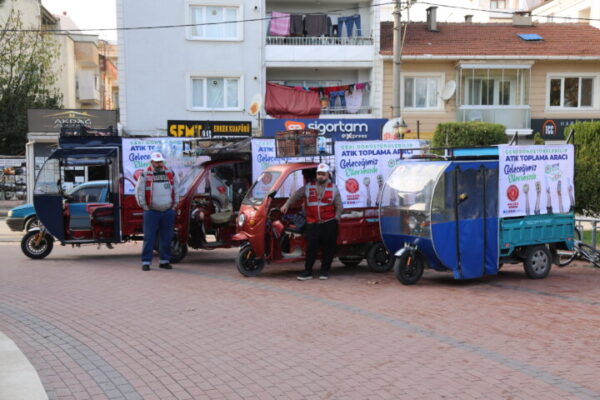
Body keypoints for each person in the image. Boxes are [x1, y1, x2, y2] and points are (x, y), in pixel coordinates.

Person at [281, 163, 343, 280]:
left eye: (323, 174)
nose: (321, 176)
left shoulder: (333, 188)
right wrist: (287, 204)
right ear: (316, 175)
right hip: (313, 224)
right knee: (311, 249)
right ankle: (307, 272)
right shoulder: (309, 187)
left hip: (329, 223)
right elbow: (296, 195)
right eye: (319, 174)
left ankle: (324, 272)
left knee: (328, 249)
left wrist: (336, 219)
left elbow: (339, 206)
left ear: (327, 175)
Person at [135, 152, 181, 271]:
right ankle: (146, 262)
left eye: (160, 161)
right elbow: (139, 191)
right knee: (149, 238)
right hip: (151, 211)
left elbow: (176, 188)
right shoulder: (145, 174)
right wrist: (144, 206)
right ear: (151, 162)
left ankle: (164, 261)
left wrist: (175, 205)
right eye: (156, 162)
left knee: (167, 237)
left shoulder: (170, 173)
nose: (158, 164)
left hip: (167, 211)